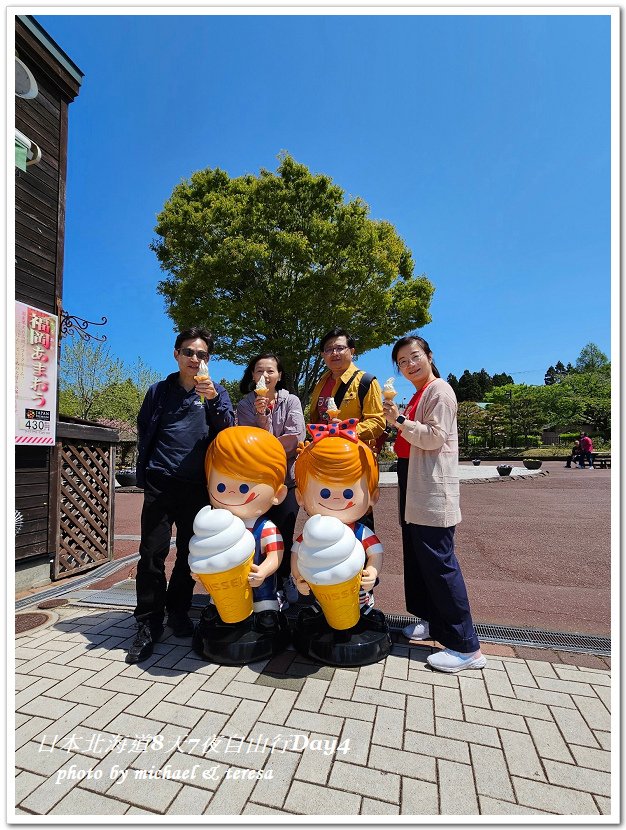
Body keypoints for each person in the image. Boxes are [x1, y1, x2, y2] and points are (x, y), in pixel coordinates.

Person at [127, 327, 235, 663]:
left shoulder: (216, 392)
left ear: (208, 359)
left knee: (190, 555)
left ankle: (177, 613)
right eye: (189, 352)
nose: (195, 359)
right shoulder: (159, 391)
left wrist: (213, 399)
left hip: (198, 487)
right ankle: (148, 622)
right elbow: (146, 427)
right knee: (151, 554)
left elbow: (228, 431)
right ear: (176, 354)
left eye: (202, 354)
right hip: (161, 481)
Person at [382, 334, 486, 673]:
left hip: (429, 486)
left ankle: (466, 646)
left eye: (414, 357)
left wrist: (398, 420)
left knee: (439, 563)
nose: (409, 365)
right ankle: (432, 622)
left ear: (429, 356)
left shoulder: (440, 390)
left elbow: (433, 436)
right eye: (402, 362)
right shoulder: (418, 394)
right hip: (412, 479)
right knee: (419, 559)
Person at [236, 353, 306, 607]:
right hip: (256, 486)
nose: (264, 376)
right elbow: (246, 441)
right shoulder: (245, 405)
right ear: (252, 376)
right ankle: (262, 585)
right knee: (256, 536)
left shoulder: (291, 401)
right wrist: (262, 417)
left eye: (270, 371)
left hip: (286, 482)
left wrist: (266, 444)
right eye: (258, 371)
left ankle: (284, 579)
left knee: (283, 534)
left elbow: (294, 439)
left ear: (279, 375)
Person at [291, 421, 383, 615]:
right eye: (324, 493)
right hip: (320, 590)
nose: (336, 499)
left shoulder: (360, 532)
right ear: (300, 497)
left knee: (359, 615)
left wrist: (372, 572)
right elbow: (296, 553)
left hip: (357, 593)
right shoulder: (312, 533)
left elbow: (375, 553)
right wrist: (298, 577)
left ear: (373, 496)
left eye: (349, 493)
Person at [203, 426, 288, 628]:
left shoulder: (265, 528)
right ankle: (218, 607)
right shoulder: (215, 527)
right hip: (225, 585)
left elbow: (276, 555)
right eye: (221, 487)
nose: (231, 493)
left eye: (243, 487)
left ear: (279, 494)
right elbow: (205, 553)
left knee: (264, 600)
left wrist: (264, 570)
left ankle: (266, 610)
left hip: (259, 581)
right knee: (219, 601)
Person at [309, 327, 386, 530]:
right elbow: (315, 418)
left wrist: (345, 431)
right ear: (322, 355)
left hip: (354, 463)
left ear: (352, 351)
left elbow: (378, 422)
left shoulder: (366, 381)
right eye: (328, 349)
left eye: (340, 348)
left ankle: (364, 561)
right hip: (324, 460)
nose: (334, 353)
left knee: (357, 519)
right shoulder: (321, 382)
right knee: (324, 516)